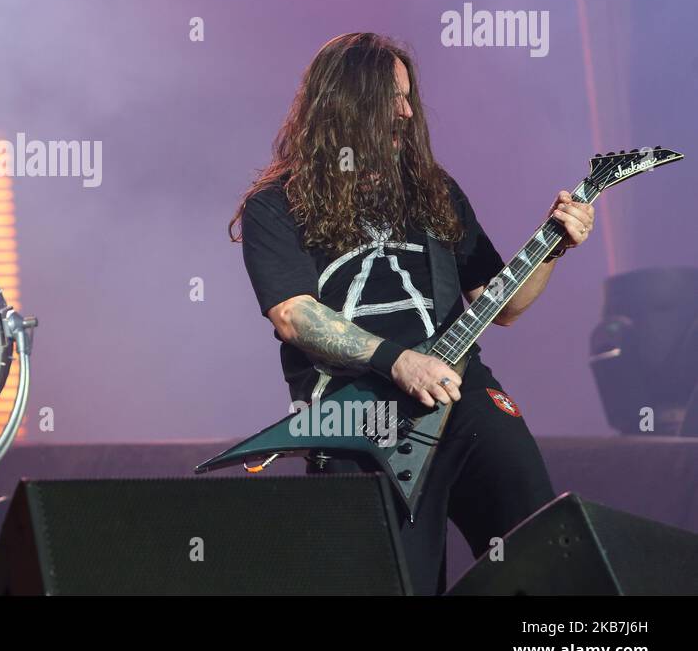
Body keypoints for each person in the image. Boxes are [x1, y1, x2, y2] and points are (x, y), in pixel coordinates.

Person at [231, 32, 594, 594]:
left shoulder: (433, 192)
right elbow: (293, 315)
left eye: (408, 97)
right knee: (396, 582)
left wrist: (554, 246)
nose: (405, 111)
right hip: (356, 416)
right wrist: (399, 362)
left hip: (461, 395)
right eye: (390, 98)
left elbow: (504, 307)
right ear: (346, 104)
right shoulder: (277, 204)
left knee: (545, 553)